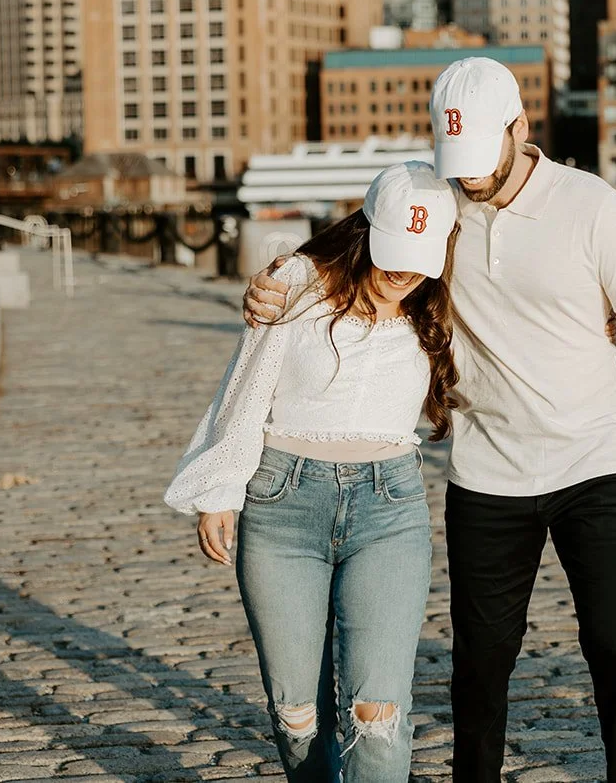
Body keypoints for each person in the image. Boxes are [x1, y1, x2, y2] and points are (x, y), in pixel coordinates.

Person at [243, 57, 616, 782]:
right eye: (456, 158)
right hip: (486, 474)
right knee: (482, 662)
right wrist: (277, 279)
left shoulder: (593, 206)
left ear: (521, 127)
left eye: (483, 155)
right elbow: (354, 241)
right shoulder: (438, 204)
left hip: (594, 462)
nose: (472, 175)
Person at [166, 161, 460, 783]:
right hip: (282, 507)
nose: (403, 272)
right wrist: (220, 488)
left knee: (377, 713)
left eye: (419, 258)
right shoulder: (296, 283)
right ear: (365, 229)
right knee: (296, 714)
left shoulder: (440, 303)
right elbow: (246, 387)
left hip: (389, 511)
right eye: (393, 251)